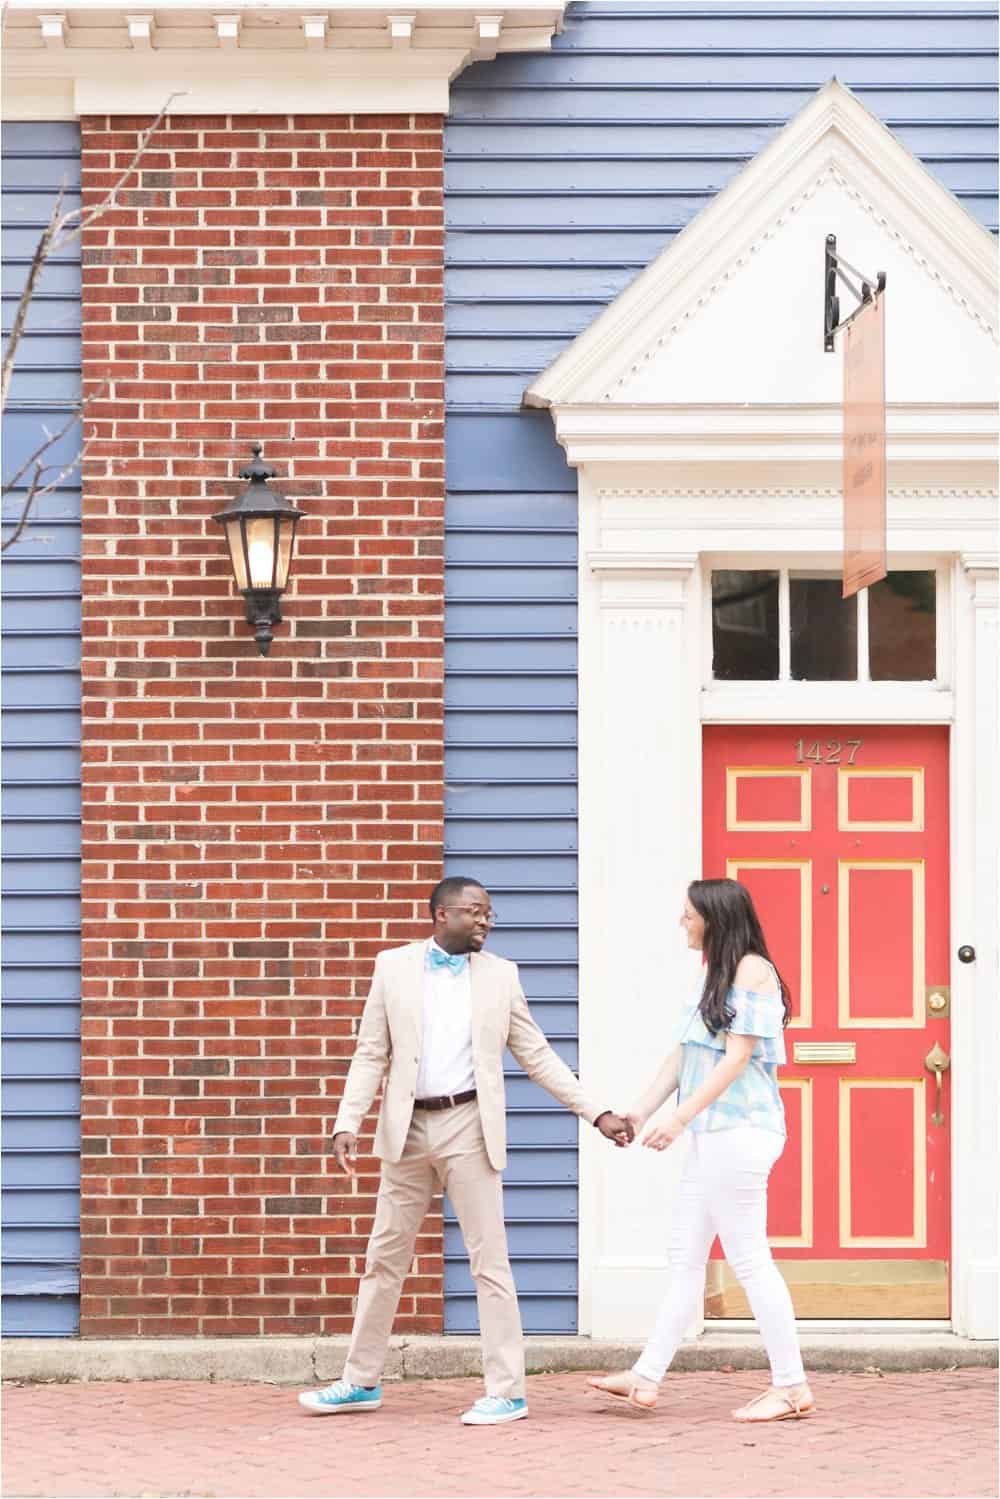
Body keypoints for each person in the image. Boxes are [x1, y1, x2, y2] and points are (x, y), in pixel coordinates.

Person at [299, 876, 632, 1425]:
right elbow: (370, 1053)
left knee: (489, 1262)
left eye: (489, 914)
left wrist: (595, 1113)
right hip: (405, 1130)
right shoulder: (394, 967)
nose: (484, 922)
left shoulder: (502, 977)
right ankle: (359, 1381)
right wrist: (346, 1121)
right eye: (474, 912)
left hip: (468, 1125)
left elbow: (538, 1055)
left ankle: (508, 1391)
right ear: (440, 914)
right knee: (383, 1260)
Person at [588, 877, 814, 1422]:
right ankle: (645, 1378)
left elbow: (737, 1058)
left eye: (688, 914)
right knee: (686, 1259)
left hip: (741, 1134)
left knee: (750, 1260)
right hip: (713, 1137)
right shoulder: (711, 973)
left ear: (714, 917)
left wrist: (680, 1118)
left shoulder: (753, 970)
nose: (681, 923)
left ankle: (791, 1386)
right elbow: (685, 1056)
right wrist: (642, 1110)